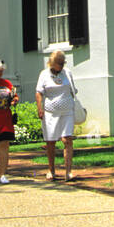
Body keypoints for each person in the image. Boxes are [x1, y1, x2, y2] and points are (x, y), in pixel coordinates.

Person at [36, 49, 77, 181]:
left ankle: (68, 171)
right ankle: (51, 170)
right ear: (52, 62)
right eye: (59, 63)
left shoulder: (67, 73)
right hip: (50, 113)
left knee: (67, 139)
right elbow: (39, 92)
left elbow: (73, 90)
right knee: (51, 141)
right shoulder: (44, 74)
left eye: (63, 62)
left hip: (67, 111)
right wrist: (40, 108)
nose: (61, 65)